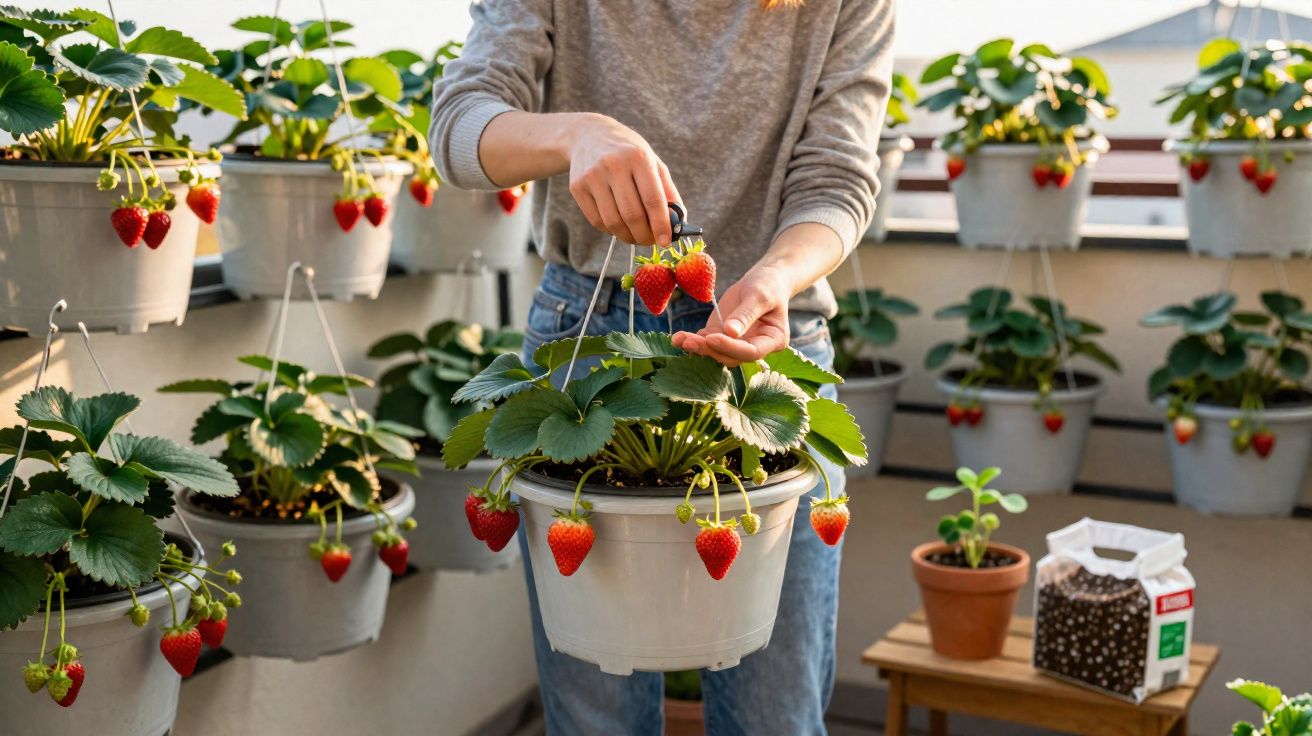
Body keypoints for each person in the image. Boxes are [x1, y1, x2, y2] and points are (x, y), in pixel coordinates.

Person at [429, 1, 893, 733]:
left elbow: (837, 178)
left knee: (775, 709)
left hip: (768, 334)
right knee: (596, 707)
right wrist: (577, 133)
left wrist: (775, 278)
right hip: (587, 332)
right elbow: (458, 127)